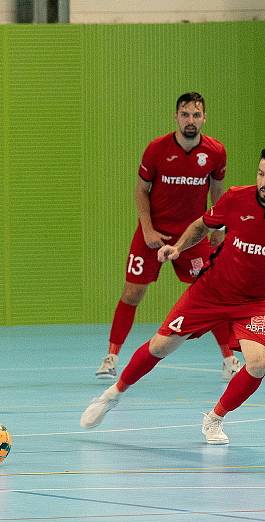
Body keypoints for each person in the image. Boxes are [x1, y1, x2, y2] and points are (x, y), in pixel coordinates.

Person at [81, 146, 265, 444]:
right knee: (160, 346)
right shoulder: (236, 198)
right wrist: (179, 248)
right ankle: (112, 394)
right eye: (260, 174)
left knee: (258, 364)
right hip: (211, 292)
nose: (263, 182)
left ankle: (214, 418)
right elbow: (201, 226)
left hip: (255, 303)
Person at [96, 92, 242, 382]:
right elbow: (141, 190)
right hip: (153, 234)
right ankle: (111, 358)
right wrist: (148, 230)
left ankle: (229, 360)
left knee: (209, 295)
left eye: (196, 115)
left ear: (204, 118)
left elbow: (218, 190)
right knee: (132, 293)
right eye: (185, 114)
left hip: (194, 236)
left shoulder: (215, 152)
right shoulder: (156, 149)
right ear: (176, 116)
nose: (191, 120)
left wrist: (218, 227)